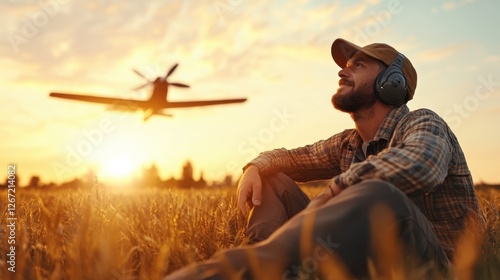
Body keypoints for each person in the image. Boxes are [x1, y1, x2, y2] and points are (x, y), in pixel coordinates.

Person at [165, 38, 485, 279]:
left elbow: (421, 166)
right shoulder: (348, 144)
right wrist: (255, 167)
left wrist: (334, 190)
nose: (343, 71)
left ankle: (248, 268)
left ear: (393, 83)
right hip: (366, 263)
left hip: (433, 267)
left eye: (358, 65)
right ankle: (271, 267)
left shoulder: (424, 123)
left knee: (379, 191)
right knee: (272, 177)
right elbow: (290, 158)